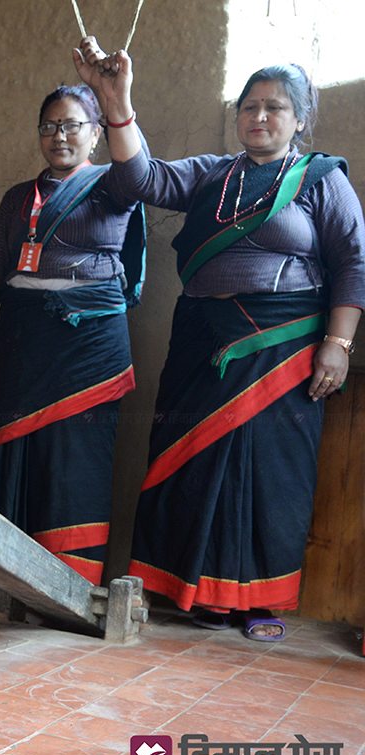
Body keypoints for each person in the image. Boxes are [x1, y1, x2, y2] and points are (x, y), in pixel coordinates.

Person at [75, 38, 365, 641]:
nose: (259, 117)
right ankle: (192, 586)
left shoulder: (321, 180)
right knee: (194, 463)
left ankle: (257, 603)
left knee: (268, 472)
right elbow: (140, 178)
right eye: (249, 106)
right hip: (201, 344)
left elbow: (352, 263)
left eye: (275, 108)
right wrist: (116, 102)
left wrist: (338, 344)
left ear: (301, 119)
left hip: (283, 350)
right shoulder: (213, 174)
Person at [0, 84, 146, 584]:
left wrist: (115, 95)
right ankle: (10, 576)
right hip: (23, 343)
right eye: (49, 126)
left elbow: (138, 169)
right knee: (17, 448)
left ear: (96, 134)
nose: (59, 136)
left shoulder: (115, 184)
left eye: (71, 126)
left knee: (75, 457)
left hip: (90, 346)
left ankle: (69, 583)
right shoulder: (19, 198)